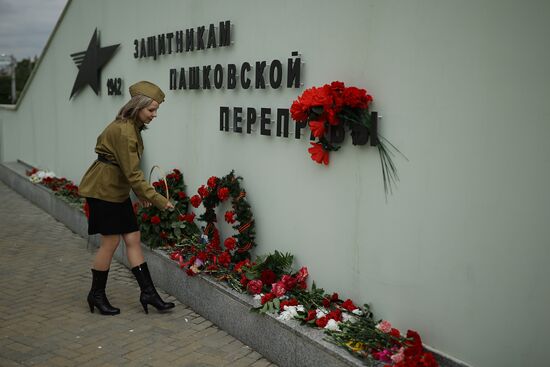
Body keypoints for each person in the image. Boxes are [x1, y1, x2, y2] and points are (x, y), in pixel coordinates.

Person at [79, 81, 175, 316]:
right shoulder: (125, 131)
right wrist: (159, 199)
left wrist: (139, 193)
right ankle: (96, 294)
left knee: (132, 237)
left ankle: (148, 293)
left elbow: (127, 169)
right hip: (104, 190)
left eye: (156, 110)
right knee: (110, 243)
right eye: (151, 109)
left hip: (115, 189)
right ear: (138, 106)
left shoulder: (131, 127)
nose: (155, 115)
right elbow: (132, 172)